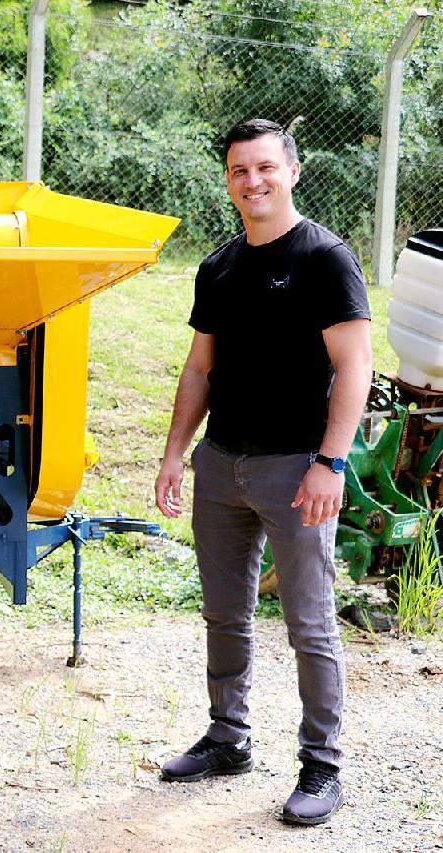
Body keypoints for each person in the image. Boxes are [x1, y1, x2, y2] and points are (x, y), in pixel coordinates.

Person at [153, 119, 371, 825]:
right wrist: (174, 454)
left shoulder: (325, 259)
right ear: (228, 179)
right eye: (240, 170)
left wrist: (330, 462)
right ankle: (228, 738)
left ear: (293, 172)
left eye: (266, 168)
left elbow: (354, 368)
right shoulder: (218, 267)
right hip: (222, 466)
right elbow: (199, 368)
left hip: (296, 470)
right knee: (225, 613)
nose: (253, 181)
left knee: (308, 623)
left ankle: (322, 766)